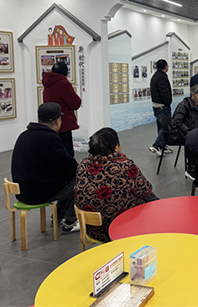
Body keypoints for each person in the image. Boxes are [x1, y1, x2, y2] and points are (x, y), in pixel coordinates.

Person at [75, 127, 158, 243]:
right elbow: (145, 191)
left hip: (92, 230)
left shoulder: (82, 164)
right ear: (116, 147)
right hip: (119, 229)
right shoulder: (124, 166)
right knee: (149, 202)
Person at [11, 102, 79, 233]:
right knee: (81, 179)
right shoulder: (49, 138)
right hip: (37, 194)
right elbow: (69, 166)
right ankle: (70, 221)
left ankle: (59, 217)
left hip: (22, 192)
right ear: (58, 121)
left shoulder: (24, 135)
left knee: (67, 179)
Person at [42, 61, 82, 157]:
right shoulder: (63, 83)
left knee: (53, 152)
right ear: (66, 73)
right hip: (61, 123)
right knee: (67, 153)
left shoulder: (47, 82)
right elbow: (75, 103)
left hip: (49, 122)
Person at [149, 59, 173, 156]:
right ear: (166, 67)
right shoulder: (162, 77)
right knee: (166, 127)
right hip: (162, 106)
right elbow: (164, 92)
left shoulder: (155, 76)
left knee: (160, 126)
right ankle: (156, 145)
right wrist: (168, 103)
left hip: (156, 106)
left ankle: (163, 145)